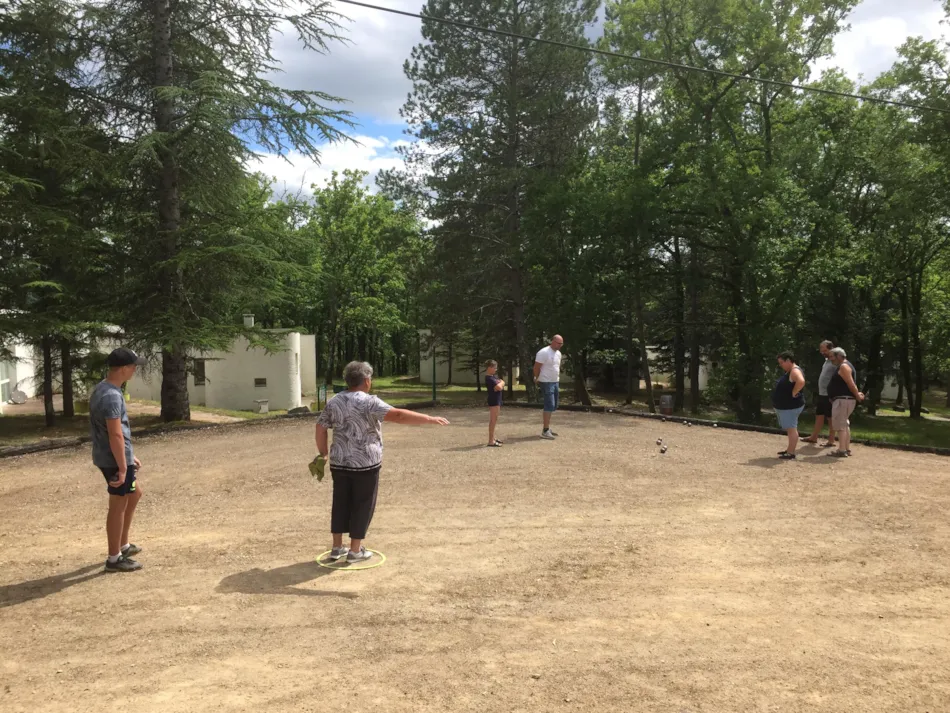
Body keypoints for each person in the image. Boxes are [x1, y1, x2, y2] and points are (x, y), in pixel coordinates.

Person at [315, 361, 450, 564]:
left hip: (339, 462)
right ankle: (355, 550)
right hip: (365, 463)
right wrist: (428, 418)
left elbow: (320, 428)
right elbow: (398, 415)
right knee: (362, 503)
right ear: (367, 381)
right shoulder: (369, 402)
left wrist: (323, 453)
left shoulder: (335, 401)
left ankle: (337, 547)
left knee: (341, 502)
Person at [89, 347, 148, 572]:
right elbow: (114, 433)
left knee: (135, 494)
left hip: (114, 456)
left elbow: (114, 433)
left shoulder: (103, 388)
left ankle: (122, 544)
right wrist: (123, 466)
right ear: (123, 369)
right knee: (118, 505)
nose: (135, 370)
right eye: (133, 366)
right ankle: (114, 558)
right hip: (113, 460)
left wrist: (130, 456)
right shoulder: (112, 396)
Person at [827, 347, 864, 458]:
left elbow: (850, 383)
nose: (830, 359)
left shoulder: (843, 366)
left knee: (840, 425)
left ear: (839, 356)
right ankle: (846, 448)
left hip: (843, 400)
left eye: (832, 357)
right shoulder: (846, 366)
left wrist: (857, 395)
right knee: (844, 423)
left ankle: (841, 450)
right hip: (845, 400)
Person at [802, 340, 838, 446]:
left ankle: (831, 440)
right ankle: (814, 437)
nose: (822, 352)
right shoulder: (826, 361)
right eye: (821, 350)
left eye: (825, 350)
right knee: (819, 415)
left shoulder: (835, 361)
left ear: (831, 348)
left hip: (829, 394)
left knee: (830, 417)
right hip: (822, 393)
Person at [772, 351, 806, 460]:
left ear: (788, 360)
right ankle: (789, 449)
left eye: (782, 363)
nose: (780, 365)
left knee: (792, 428)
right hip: (787, 406)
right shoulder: (790, 371)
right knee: (790, 428)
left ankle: (791, 452)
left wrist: (794, 392)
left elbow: (801, 381)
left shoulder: (794, 371)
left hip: (791, 406)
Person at [533, 335, 564, 440]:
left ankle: (547, 428)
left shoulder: (558, 354)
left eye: (561, 344)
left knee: (554, 405)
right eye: (558, 343)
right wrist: (536, 378)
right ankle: (545, 430)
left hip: (555, 381)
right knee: (549, 404)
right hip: (546, 381)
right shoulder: (544, 352)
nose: (560, 346)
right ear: (553, 341)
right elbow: (537, 367)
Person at [484, 360, 505, 447]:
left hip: (497, 400)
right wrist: (502, 383)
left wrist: (501, 383)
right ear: (489, 368)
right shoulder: (489, 378)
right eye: (494, 368)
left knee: (495, 420)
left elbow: (501, 382)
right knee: (493, 420)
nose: (496, 370)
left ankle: (493, 438)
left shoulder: (493, 377)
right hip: (493, 401)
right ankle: (490, 441)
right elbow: (499, 387)